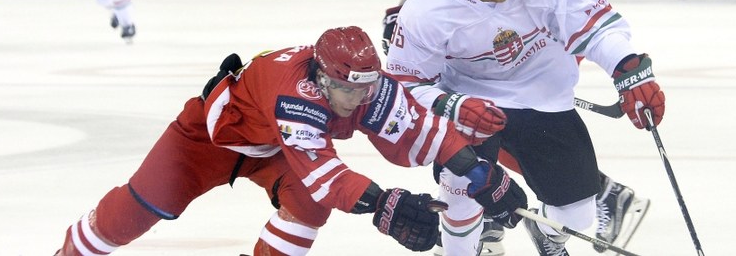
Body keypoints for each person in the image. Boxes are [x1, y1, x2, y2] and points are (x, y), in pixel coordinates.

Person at [54, 26, 528, 256]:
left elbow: (421, 131)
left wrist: (480, 173)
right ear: (322, 78)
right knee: (137, 211)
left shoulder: (364, 85)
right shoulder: (295, 93)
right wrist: (384, 204)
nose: (356, 100)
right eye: (347, 90)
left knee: (307, 204)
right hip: (207, 140)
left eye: (365, 89)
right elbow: (325, 173)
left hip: (274, 150)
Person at [383, 0, 650, 254]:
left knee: (540, 165)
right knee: (470, 168)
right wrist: (402, 12)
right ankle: (483, 227)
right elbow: (420, 5)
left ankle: (588, 196)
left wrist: (622, 67)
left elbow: (547, 3)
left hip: (538, 57)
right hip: (473, 83)